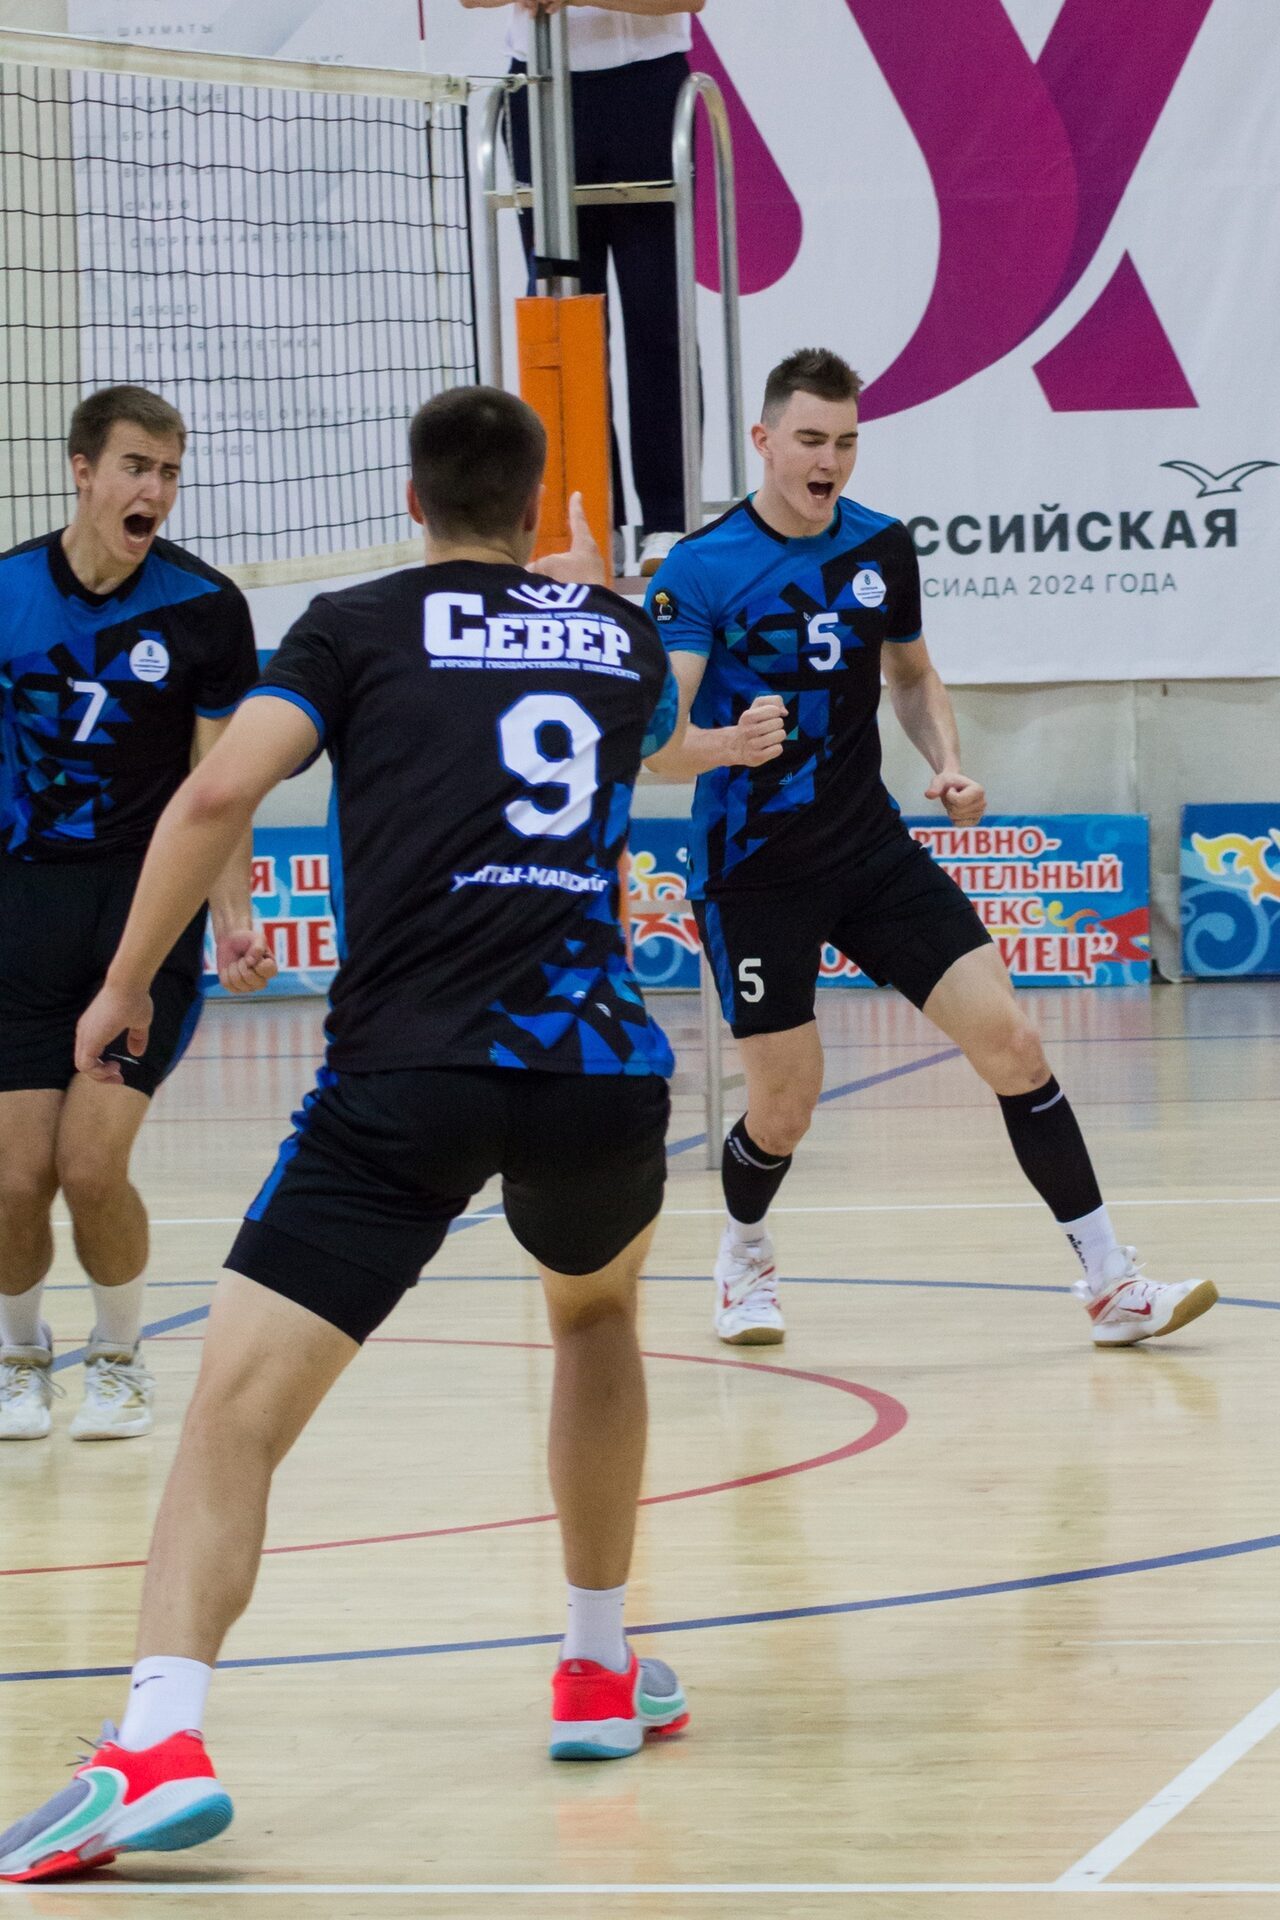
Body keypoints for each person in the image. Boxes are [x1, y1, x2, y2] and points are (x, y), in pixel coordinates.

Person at [0, 386, 688, 1883]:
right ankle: (594, 1665)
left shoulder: (354, 626)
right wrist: (594, 597)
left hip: (407, 1076)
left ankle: (158, 1742)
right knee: (595, 1319)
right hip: (597, 1070)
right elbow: (658, 725)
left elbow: (217, 788)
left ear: (410, 498)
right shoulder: (618, 638)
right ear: (533, 503)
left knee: (233, 1414)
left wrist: (126, 983)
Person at [644, 347, 1219, 1350]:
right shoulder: (698, 567)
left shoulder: (880, 546)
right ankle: (743, 1256)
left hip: (870, 850)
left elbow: (910, 676)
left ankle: (1111, 1284)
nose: (829, 462)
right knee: (784, 1109)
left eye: (846, 442)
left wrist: (947, 764)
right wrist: (729, 746)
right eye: (810, 440)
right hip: (753, 870)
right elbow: (659, 746)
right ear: (764, 441)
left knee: (1014, 1046)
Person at [0, 386, 271, 1444]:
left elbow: (220, 789)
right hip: (21, 917)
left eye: (168, 471)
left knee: (89, 1165)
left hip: (142, 922)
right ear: (82, 470)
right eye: (135, 466)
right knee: (14, 1180)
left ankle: (118, 1359)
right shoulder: (9, 592)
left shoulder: (203, 609)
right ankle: (21, 1358)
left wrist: (235, 916)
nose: (155, 488)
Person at [463, 0, 704, 573]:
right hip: (541, 86)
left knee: (658, 318)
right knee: (566, 321)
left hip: (646, 86)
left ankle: (669, 521)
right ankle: (591, 521)